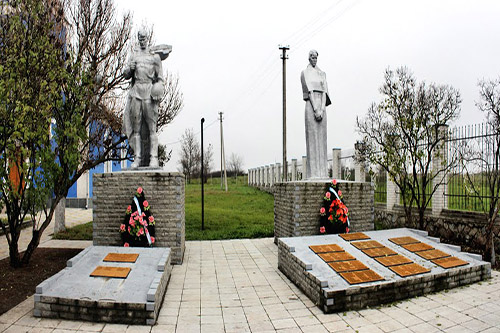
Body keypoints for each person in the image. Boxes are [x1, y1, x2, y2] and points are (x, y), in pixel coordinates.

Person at [123, 29, 164, 168]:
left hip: (149, 92)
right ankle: (137, 158)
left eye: (144, 38)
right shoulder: (134, 54)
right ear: (138, 38)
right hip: (136, 92)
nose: (142, 40)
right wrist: (129, 69)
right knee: (136, 129)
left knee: (152, 128)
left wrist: (157, 89)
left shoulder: (155, 57)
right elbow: (126, 74)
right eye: (140, 38)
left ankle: (153, 158)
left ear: (147, 38)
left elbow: (160, 79)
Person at [301, 49, 331, 179]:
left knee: (322, 139)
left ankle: (323, 172)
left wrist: (322, 109)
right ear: (309, 58)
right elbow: (310, 91)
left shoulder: (322, 73)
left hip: (322, 105)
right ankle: (313, 173)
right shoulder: (305, 73)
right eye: (312, 57)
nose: (314, 59)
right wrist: (315, 109)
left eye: (316, 57)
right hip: (311, 105)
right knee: (312, 139)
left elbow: (324, 92)